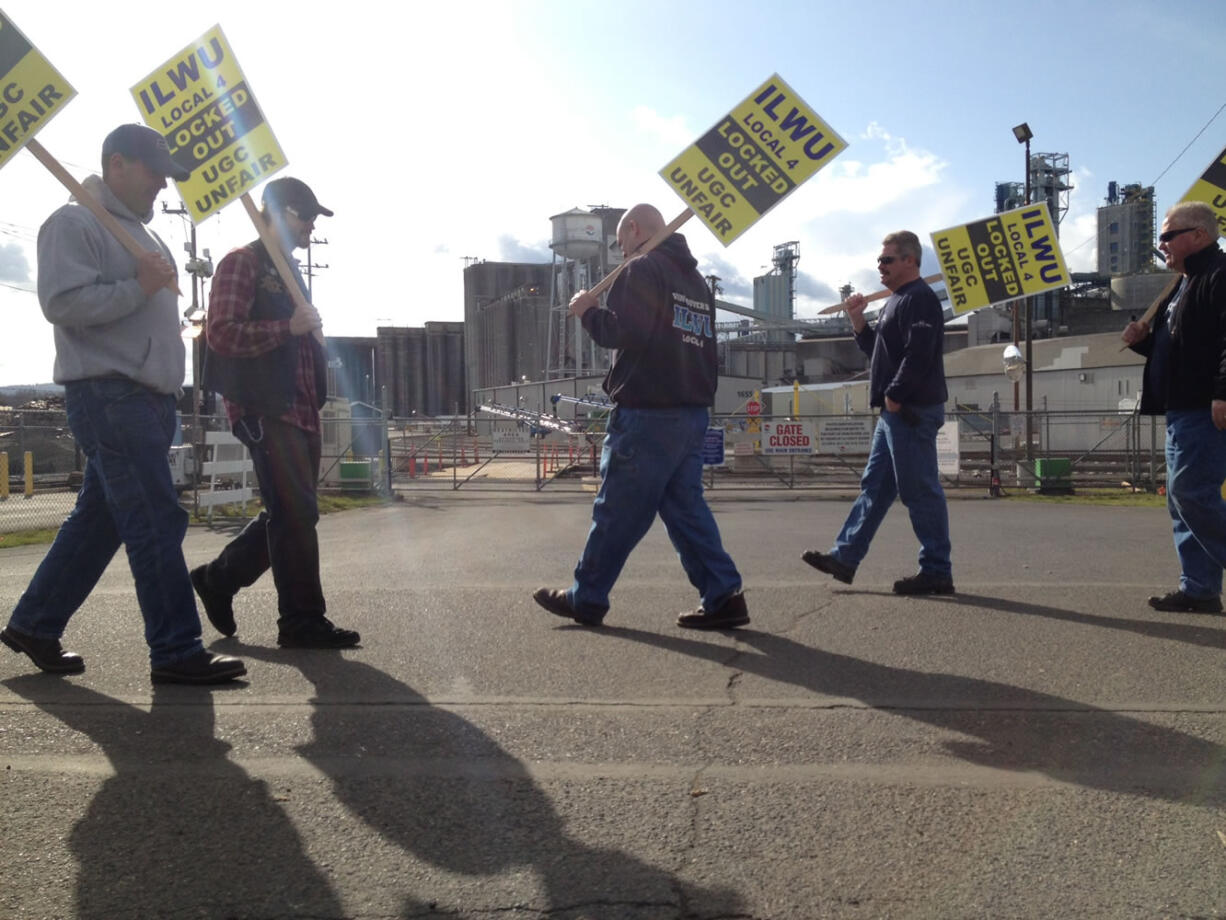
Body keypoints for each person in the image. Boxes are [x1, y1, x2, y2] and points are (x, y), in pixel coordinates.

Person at [0, 124, 246, 684]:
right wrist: (140, 286)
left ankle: (35, 623)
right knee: (156, 518)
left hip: (146, 400)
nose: (163, 184)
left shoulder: (139, 231)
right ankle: (176, 649)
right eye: (155, 171)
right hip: (111, 395)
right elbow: (61, 303)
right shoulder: (74, 222)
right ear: (116, 164)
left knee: (101, 520)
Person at [532, 203, 747, 630]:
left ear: (632, 229)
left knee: (616, 511)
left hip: (648, 414)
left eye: (619, 241)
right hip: (690, 414)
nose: (619, 250)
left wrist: (587, 313)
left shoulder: (642, 269)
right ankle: (723, 595)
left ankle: (587, 597)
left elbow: (624, 332)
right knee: (686, 510)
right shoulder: (696, 282)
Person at [191, 177, 360, 648]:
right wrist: (288, 326)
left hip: (300, 407)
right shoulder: (240, 263)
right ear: (280, 213)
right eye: (305, 216)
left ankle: (218, 579)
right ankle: (301, 620)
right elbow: (220, 334)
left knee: (288, 514)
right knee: (296, 513)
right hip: (264, 408)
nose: (310, 227)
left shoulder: (286, 269)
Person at [802, 230, 954, 595]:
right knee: (875, 486)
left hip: (910, 410)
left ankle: (936, 570)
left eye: (887, 259)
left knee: (919, 490)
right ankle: (845, 557)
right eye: (880, 260)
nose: (880, 266)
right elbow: (881, 352)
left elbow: (918, 355)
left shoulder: (919, 299)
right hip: (895, 413)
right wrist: (857, 320)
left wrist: (896, 396)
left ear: (910, 261)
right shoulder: (895, 300)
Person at [1122, 201, 1226, 614]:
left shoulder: (1218, 275)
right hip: (1182, 408)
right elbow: (1180, 347)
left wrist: (1223, 390)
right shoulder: (1182, 284)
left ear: (1199, 235)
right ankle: (1199, 588)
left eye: (1168, 236)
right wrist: (1143, 342)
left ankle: (1200, 584)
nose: (1161, 245)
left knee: (1191, 493)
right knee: (1180, 500)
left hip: (1205, 407)